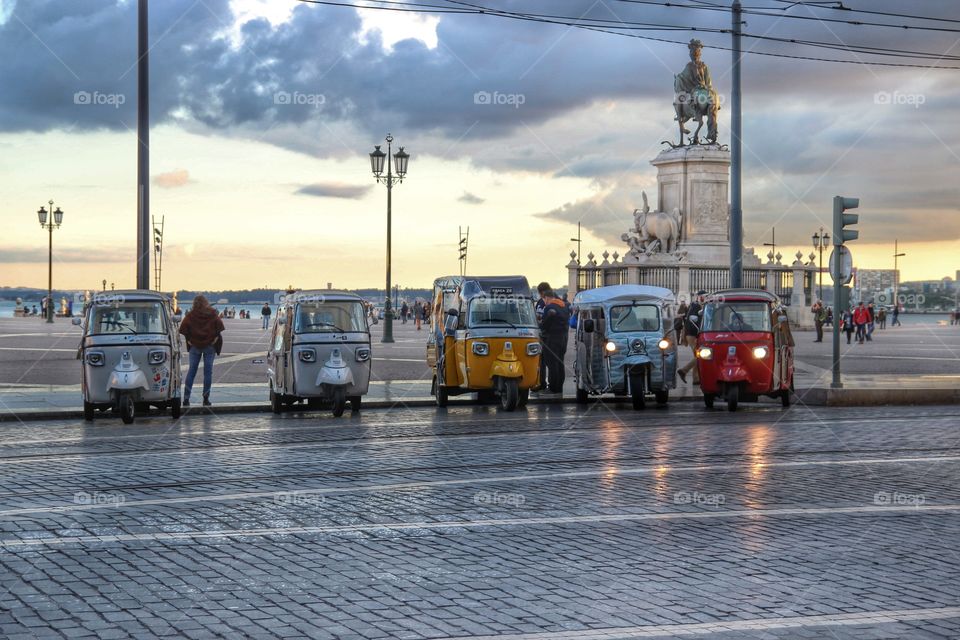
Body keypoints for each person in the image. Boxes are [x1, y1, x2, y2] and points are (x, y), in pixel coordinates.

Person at [179, 295, 225, 407]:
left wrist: (188, 339)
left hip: (194, 346)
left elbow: (183, 328)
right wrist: (215, 338)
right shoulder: (212, 314)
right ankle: (206, 399)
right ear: (206, 303)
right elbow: (219, 326)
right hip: (210, 346)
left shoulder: (191, 315)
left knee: (191, 372)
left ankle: (186, 399)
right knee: (208, 373)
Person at [539, 289, 570, 394]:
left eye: (544, 300)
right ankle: (559, 387)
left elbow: (545, 325)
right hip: (564, 338)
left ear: (547, 298)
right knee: (560, 363)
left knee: (552, 363)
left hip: (552, 339)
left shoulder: (549, 307)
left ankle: (552, 388)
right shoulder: (564, 306)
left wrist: (540, 325)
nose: (544, 302)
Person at [677, 291, 705, 384]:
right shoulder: (696, 306)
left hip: (691, 334)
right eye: (703, 296)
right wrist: (697, 334)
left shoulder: (695, 306)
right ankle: (684, 370)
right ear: (699, 297)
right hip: (692, 334)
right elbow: (693, 320)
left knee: (697, 356)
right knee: (700, 355)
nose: (704, 298)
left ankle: (695, 378)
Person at [533, 282, 551, 390]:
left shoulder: (551, 301)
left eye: (540, 293)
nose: (540, 295)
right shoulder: (540, 302)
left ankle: (550, 385)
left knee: (549, 361)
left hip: (547, 335)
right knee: (540, 360)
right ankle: (541, 383)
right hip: (540, 334)